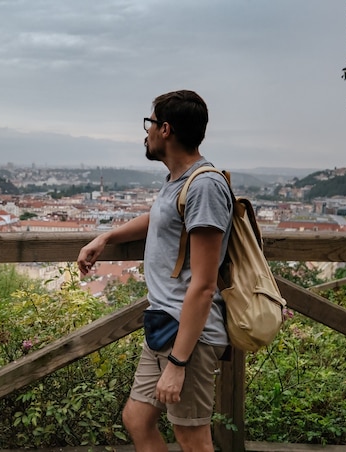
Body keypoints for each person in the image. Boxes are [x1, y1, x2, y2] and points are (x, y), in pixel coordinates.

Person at [76, 90, 232, 452]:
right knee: (137, 419)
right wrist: (107, 236)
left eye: (149, 124)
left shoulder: (204, 186)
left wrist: (178, 362)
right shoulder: (179, 180)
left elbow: (205, 285)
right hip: (163, 325)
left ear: (165, 129)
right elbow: (161, 218)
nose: (144, 133)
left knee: (193, 439)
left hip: (189, 335)